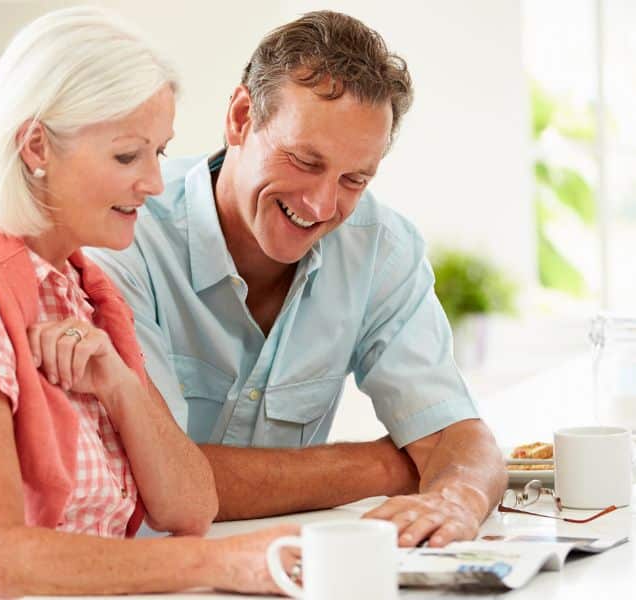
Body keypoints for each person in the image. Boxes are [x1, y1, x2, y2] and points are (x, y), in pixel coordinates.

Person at [0, 8, 296, 598]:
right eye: (125, 156)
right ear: (36, 145)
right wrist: (219, 564)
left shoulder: (81, 289)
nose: (154, 183)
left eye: (157, 154)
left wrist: (119, 384)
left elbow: (190, 507)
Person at [83, 10, 508, 549]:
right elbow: (158, 478)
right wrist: (386, 464)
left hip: (288, 570)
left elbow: (457, 438)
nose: (323, 205)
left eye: (354, 179)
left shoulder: (380, 246)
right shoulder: (125, 232)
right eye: (305, 161)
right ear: (241, 118)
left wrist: (458, 500)